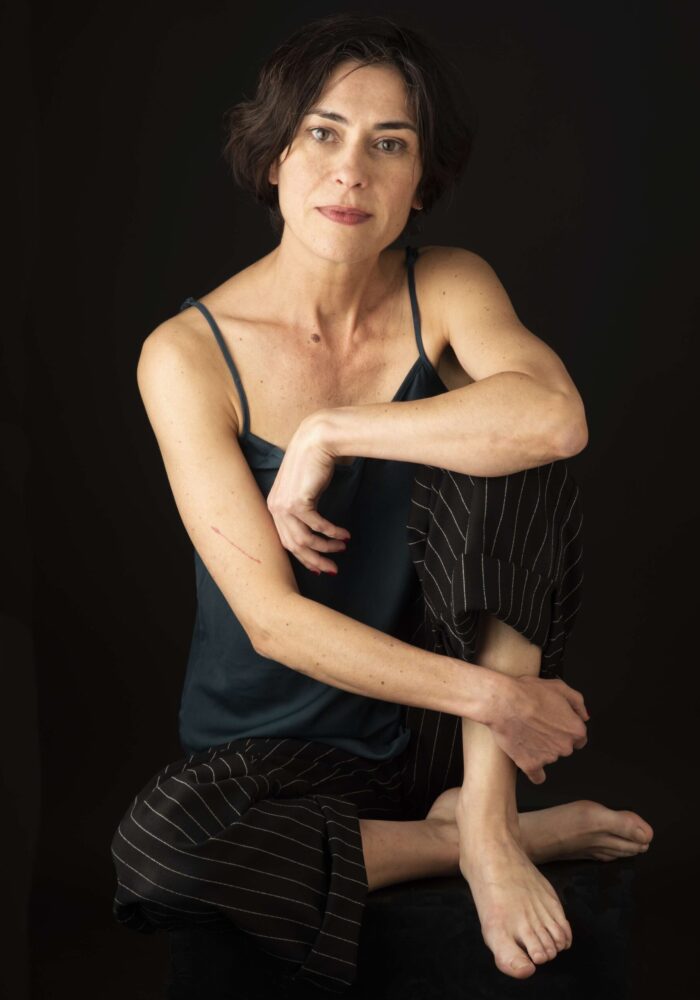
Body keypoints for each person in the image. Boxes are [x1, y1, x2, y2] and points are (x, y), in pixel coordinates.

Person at [110, 12, 654, 994]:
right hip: (282, 749)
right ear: (275, 156)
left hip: (442, 740)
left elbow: (556, 419)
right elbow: (272, 623)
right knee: (163, 852)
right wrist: (501, 698)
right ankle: (476, 836)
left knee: (514, 446)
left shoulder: (446, 284)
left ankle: (484, 815)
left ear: (420, 183)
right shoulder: (185, 355)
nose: (350, 171)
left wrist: (333, 431)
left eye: (388, 144)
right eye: (323, 133)